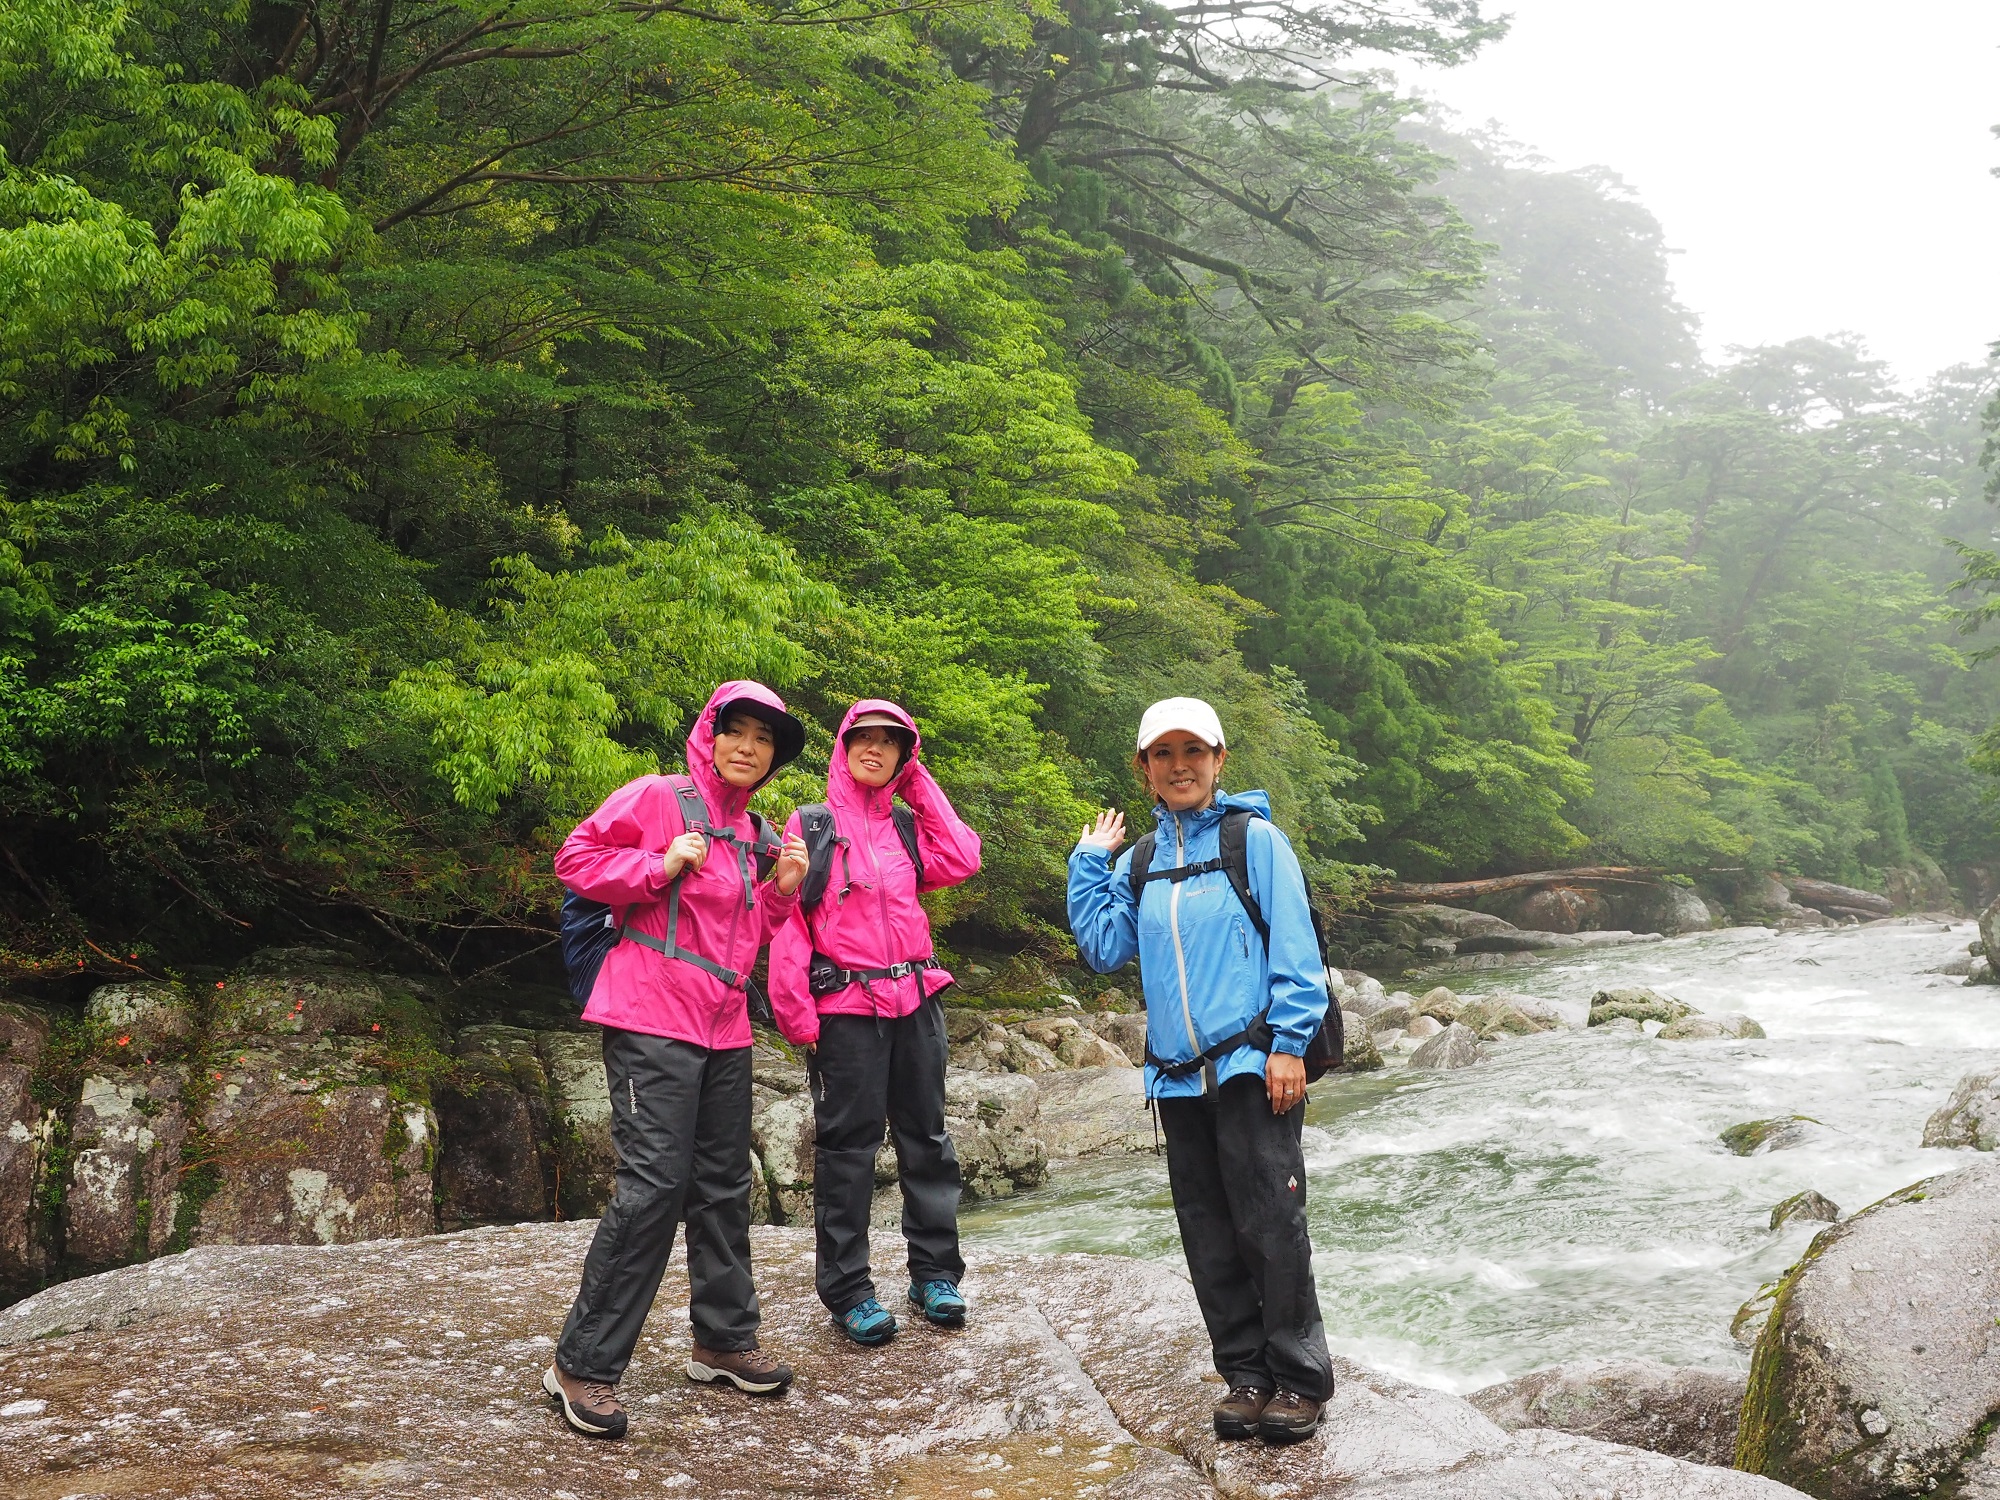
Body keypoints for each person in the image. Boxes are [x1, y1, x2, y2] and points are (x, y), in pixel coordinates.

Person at [543, 680, 812, 1440]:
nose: (749, 747)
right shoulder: (659, 798)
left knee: (724, 1185)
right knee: (655, 1185)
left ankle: (722, 1342)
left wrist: (785, 893)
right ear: (711, 732)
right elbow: (576, 858)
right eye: (739, 731)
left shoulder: (758, 832)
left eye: (764, 740)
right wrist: (656, 867)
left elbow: (742, 929)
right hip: (648, 1014)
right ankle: (581, 1365)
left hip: (724, 1025)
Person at [1066, 696, 1335, 1444]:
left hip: (1253, 1066)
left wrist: (1288, 1043)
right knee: (1208, 1233)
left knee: (1271, 1225)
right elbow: (1104, 948)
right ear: (1144, 769)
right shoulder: (1141, 860)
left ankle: (1301, 1381)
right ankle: (1246, 1376)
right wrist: (1088, 865)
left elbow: (1297, 948)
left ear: (1219, 761)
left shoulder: (1257, 842)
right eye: (1164, 755)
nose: (1179, 766)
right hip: (1177, 1077)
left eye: (1194, 752)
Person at [768, 700, 983, 1345]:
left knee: (927, 1142)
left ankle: (935, 1275)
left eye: (891, 743)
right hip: (847, 1012)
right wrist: (796, 1013)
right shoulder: (811, 825)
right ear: (844, 744)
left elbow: (964, 857)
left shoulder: (908, 828)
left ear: (902, 755)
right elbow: (786, 921)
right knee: (847, 1151)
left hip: (917, 1001)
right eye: (864, 738)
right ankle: (848, 1289)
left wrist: (919, 783)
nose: (875, 749)